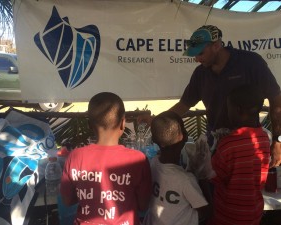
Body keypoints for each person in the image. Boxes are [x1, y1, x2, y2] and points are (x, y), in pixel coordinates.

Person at [140, 25, 281, 167]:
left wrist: (278, 140)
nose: (197, 59)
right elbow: (183, 105)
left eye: (200, 53)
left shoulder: (251, 63)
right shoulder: (200, 73)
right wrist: (158, 120)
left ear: (216, 45)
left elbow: (277, 100)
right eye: (194, 54)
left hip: (248, 146)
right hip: (215, 146)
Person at [60, 92, 152, 225]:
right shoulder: (138, 159)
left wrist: (89, 194)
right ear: (123, 123)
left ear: (89, 125)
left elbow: (67, 201)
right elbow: (143, 206)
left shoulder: (75, 156)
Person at [210, 84, 271, 225]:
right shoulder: (263, 137)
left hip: (228, 214)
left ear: (237, 110)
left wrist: (215, 149)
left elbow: (214, 176)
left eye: (228, 108)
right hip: (253, 213)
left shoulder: (227, 144)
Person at [143, 111, 211, 225]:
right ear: (184, 137)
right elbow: (206, 212)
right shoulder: (186, 180)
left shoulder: (154, 162)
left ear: (154, 140)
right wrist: (202, 176)